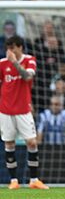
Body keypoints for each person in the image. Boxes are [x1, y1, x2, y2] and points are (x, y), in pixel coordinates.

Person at [0, 36, 49, 189]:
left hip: (23, 109)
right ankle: (14, 181)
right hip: (5, 109)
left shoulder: (30, 60)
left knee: (32, 142)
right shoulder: (1, 63)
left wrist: (14, 62)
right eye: (8, 48)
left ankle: (34, 180)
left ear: (20, 47)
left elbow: (27, 77)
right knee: (9, 143)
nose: (10, 52)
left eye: (13, 48)